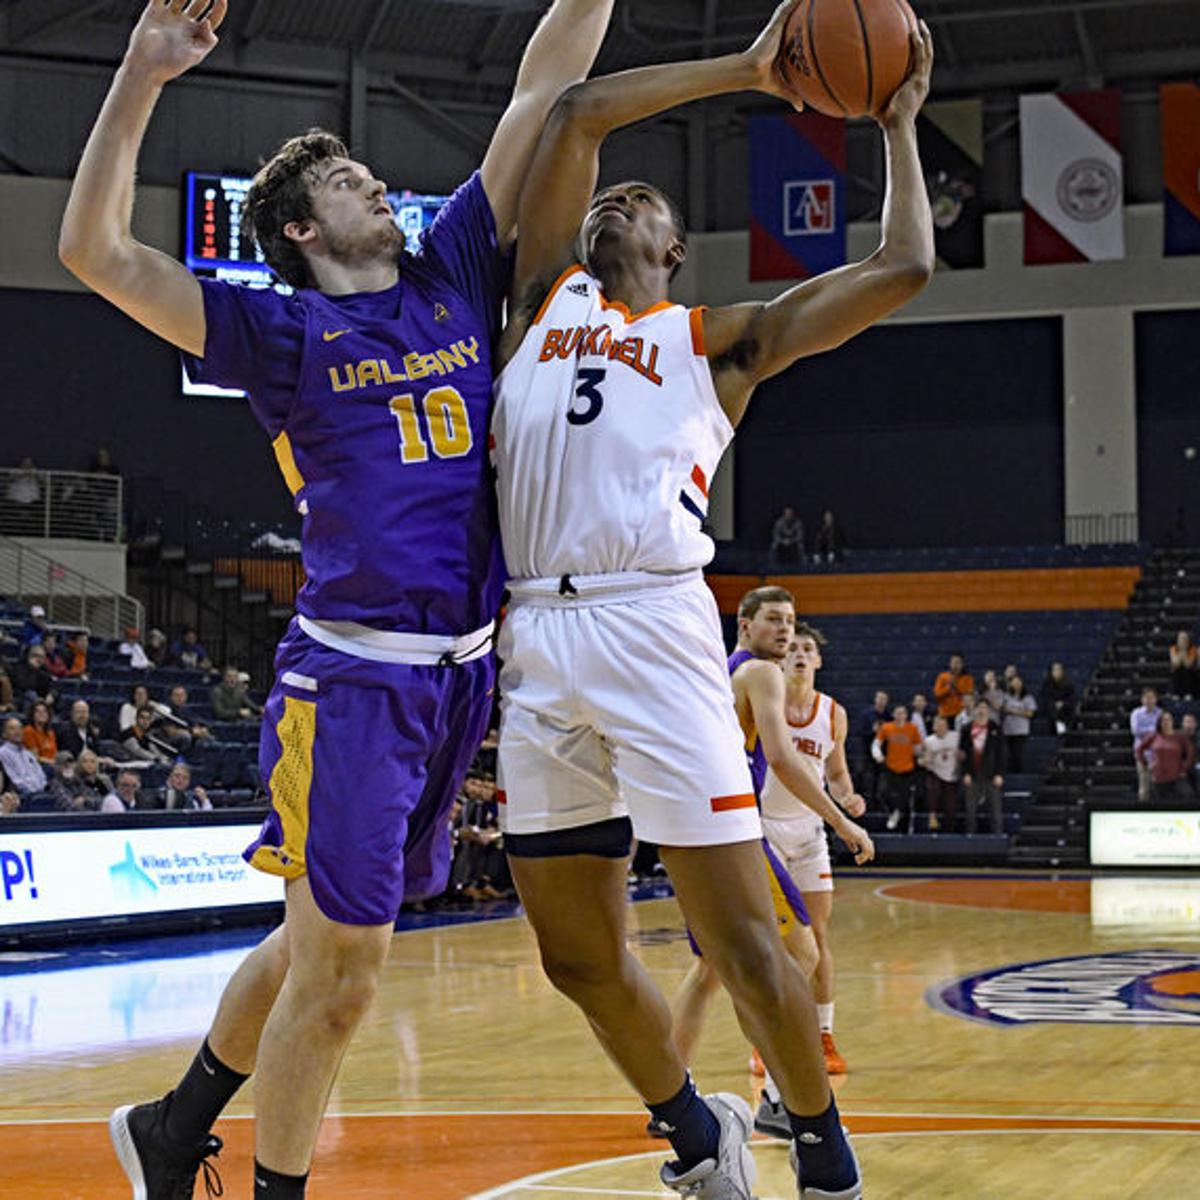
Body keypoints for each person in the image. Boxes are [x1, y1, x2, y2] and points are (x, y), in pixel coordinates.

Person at [59, 1, 618, 1196]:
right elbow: (94, 254)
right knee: (348, 974)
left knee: (318, 948)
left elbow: (543, 82)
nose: (385, 191)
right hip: (356, 681)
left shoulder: (452, 268)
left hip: (461, 675)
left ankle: (175, 1126)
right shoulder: (279, 331)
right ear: (305, 225)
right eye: (359, 181)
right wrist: (143, 72)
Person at [490, 12, 932, 1197]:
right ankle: (694, 1130)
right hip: (534, 631)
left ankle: (826, 1155)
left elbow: (904, 270)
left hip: (652, 621)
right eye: (610, 198)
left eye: (646, 201)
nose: (619, 195)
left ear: (677, 249)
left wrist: (894, 126)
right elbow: (580, 112)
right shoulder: (538, 303)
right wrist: (747, 68)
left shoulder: (715, 344)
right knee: (576, 956)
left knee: (742, 941)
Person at [666, 592, 871, 1125]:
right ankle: (780, 1095)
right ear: (745, 623)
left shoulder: (720, 670)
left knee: (710, 969)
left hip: (694, 827)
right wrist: (842, 820)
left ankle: (666, 1100)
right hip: (734, 829)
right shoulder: (761, 673)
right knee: (799, 955)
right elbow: (780, 759)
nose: (785, 631)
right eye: (774, 621)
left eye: (792, 622)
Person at [757, 620, 869, 1085]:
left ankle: (823, 1034)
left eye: (808, 649)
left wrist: (848, 798)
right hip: (765, 828)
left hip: (809, 833)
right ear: (782, 660)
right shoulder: (765, 705)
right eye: (794, 648)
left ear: (819, 661)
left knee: (818, 937)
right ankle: (765, 1040)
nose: (801, 654)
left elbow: (836, 772)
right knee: (773, 941)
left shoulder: (832, 713)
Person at [874, 704, 922, 833]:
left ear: (906, 715)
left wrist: (922, 756)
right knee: (882, 792)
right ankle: (894, 812)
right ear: (894, 715)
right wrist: (878, 755)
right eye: (898, 713)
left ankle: (904, 829)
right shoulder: (886, 727)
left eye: (903, 713)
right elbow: (876, 744)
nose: (900, 716)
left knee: (905, 799)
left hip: (907, 769)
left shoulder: (912, 728)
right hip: (890, 767)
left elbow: (918, 748)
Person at [960, 701, 1006, 836]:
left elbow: (1002, 753)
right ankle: (970, 840)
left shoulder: (996, 728)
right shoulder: (967, 729)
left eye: (984, 707)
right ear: (974, 710)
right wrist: (965, 773)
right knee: (970, 811)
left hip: (991, 775)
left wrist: (1000, 774)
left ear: (989, 711)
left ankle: (997, 839)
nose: (981, 710)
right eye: (979, 707)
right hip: (972, 774)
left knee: (996, 811)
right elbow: (962, 753)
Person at [1135, 712, 1196, 802]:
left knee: (1187, 797)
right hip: (1159, 777)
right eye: (1164, 720)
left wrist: (1184, 767)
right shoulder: (1154, 736)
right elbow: (1139, 749)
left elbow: (1191, 752)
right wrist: (1146, 763)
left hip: (1176, 776)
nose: (1166, 722)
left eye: (1169, 720)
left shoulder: (1179, 736)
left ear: (1172, 721)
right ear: (1160, 723)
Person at [920, 714, 960, 832]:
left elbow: (963, 753)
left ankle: (950, 830)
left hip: (952, 774)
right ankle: (932, 819)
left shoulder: (956, 737)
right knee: (932, 791)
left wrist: (961, 756)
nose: (941, 728)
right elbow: (923, 760)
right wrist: (927, 759)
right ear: (934, 727)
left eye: (943, 725)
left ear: (947, 726)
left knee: (950, 806)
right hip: (936, 772)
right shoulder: (929, 741)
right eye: (938, 725)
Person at [1129, 687, 1163, 803]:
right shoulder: (1136, 713)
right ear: (1142, 700)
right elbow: (1136, 731)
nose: (1149, 700)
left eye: (1152, 697)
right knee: (1144, 785)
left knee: (1158, 784)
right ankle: (1143, 809)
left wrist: (1149, 732)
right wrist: (1153, 731)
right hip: (1142, 753)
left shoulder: (1160, 713)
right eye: (1147, 698)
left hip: (1158, 754)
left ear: (1156, 699)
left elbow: (1163, 732)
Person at [855, 690, 890, 803]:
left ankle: (875, 800)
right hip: (866, 749)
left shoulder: (888, 717)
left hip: (882, 750)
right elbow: (859, 731)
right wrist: (872, 730)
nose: (881, 701)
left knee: (879, 777)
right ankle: (858, 797)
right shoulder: (867, 715)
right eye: (879, 698)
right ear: (875, 699)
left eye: (884, 699)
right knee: (860, 773)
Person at [0, 717, 48, 798]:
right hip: (21, 795)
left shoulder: (28, 753)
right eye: (12, 728)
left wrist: (41, 790)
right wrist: (34, 791)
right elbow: (14, 780)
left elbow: (41, 775)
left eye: (20, 728)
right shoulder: (3, 753)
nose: (17, 731)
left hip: (40, 792)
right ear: (4, 734)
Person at [1000, 676, 1036, 772]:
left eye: (1018, 682)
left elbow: (1030, 713)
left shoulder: (1028, 698)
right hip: (1008, 730)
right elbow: (1002, 709)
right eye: (1014, 682)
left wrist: (1014, 711)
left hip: (1021, 730)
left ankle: (1018, 773)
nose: (1016, 685)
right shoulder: (1006, 696)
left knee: (1018, 754)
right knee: (1007, 754)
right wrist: (1020, 711)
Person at [10, 643, 56, 708]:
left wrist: (51, 694)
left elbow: (52, 685)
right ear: (29, 656)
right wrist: (32, 669)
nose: (40, 659)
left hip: (40, 702)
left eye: (42, 657)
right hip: (21, 700)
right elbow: (24, 686)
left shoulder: (44, 670)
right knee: (30, 695)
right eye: (36, 656)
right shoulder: (19, 667)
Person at [934, 652, 974, 722]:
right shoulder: (942, 677)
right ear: (950, 664)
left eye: (958, 662)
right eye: (954, 662)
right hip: (945, 714)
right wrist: (948, 688)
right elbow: (937, 695)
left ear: (962, 664)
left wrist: (956, 686)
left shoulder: (968, 679)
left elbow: (968, 695)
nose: (956, 665)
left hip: (961, 714)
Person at [1039, 661, 1075, 735]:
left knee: (1062, 710)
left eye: (1058, 669)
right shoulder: (1047, 684)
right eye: (1054, 670)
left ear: (1062, 671)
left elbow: (1071, 699)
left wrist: (1062, 703)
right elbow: (1045, 697)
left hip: (1065, 709)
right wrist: (1054, 704)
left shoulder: (1069, 684)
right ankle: (1058, 724)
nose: (1056, 672)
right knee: (1051, 706)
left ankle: (1060, 725)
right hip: (1051, 709)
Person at [22, 700, 58, 764]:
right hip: (39, 767)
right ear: (32, 715)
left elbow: (54, 755)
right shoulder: (28, 731)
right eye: (37, 711)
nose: (41, 713)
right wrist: (52, 762)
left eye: (44, 711)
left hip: (53, 764)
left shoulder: (51, 733)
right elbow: (34, 757)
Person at [1168, 630, 1200, 698]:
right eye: (1181, 638)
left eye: (1185, 639)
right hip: (1177, 671)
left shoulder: (1192, 648)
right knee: (1176, 671)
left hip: (1190, 672)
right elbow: (1175, 663)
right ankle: (1175, 693)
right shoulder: (1173, 648)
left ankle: (1188, 693)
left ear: (1188, 640)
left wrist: (1184, 650)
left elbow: (1188, 664)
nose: (1183, 641)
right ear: (1177, 640)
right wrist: (1181, 651)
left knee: (1187, 671)